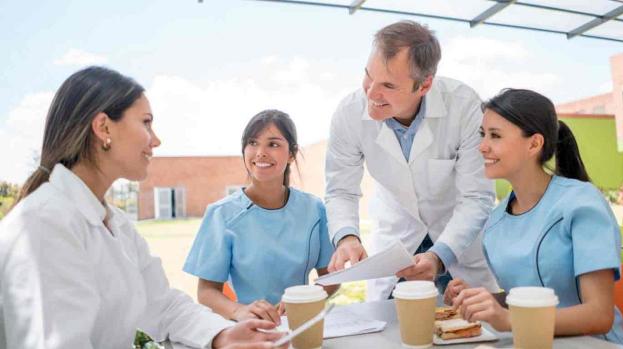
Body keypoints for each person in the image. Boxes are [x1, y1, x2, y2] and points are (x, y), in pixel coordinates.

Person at [0, 66, 285, 349]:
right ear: (104, 127)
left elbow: (163, 306)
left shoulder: (116, 224)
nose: (156, 140)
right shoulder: (44, 224)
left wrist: (222, 335)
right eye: (146, 122)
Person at [325, 20, 498, 300]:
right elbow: (340, 190)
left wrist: (439, 256)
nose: (371, 94)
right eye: (369, 76)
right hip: (397, 241)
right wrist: (347, 236)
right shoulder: (348, 113)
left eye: (388, 85)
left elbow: (477, 197)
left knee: (472, 331)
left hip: (457, 244)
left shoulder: (464, 106)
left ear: (425, 84)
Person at [446, 88, 623, 346]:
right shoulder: (497, 220)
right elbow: (526, 297)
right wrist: (482, 301)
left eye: (495, 136)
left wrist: (509, 320)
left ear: (534, 143)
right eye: (483, 134)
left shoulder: (581, 204)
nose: (482, 146)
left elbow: (599, 315)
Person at [183, 110, 337, 325]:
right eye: (253, 143)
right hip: (245, 328)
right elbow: (207, 292)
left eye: (273, 144)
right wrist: (240, 311)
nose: (260, 152)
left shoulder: (314, 209)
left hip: (302, 324)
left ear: (292, 154)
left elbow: (330, 278)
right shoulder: (222, 214)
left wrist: (304, 300)